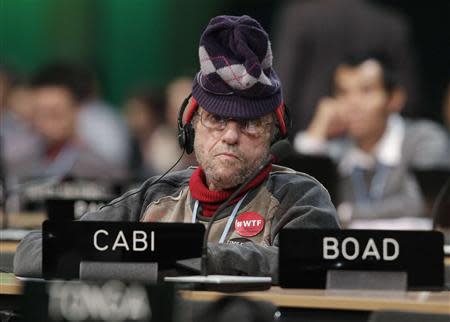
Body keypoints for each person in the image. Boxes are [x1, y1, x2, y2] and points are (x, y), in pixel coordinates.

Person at [14, 15, 339, 280]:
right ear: (190, 125)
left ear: (274, 134)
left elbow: (312, 262)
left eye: (250, 124)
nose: (229, 135)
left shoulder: (300, 196)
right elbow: (32, 253)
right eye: (216, 119)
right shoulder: (154, 196)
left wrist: (178, 253)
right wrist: (146, 255)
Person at [294, 53, 450, 228]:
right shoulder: (335, 151)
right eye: (343, 93)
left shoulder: (424, 139)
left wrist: (345, 213)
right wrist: (318, 128)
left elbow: (425, 204)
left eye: (366, 90)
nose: (353, 103)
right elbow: (300, 202)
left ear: (394, 99)